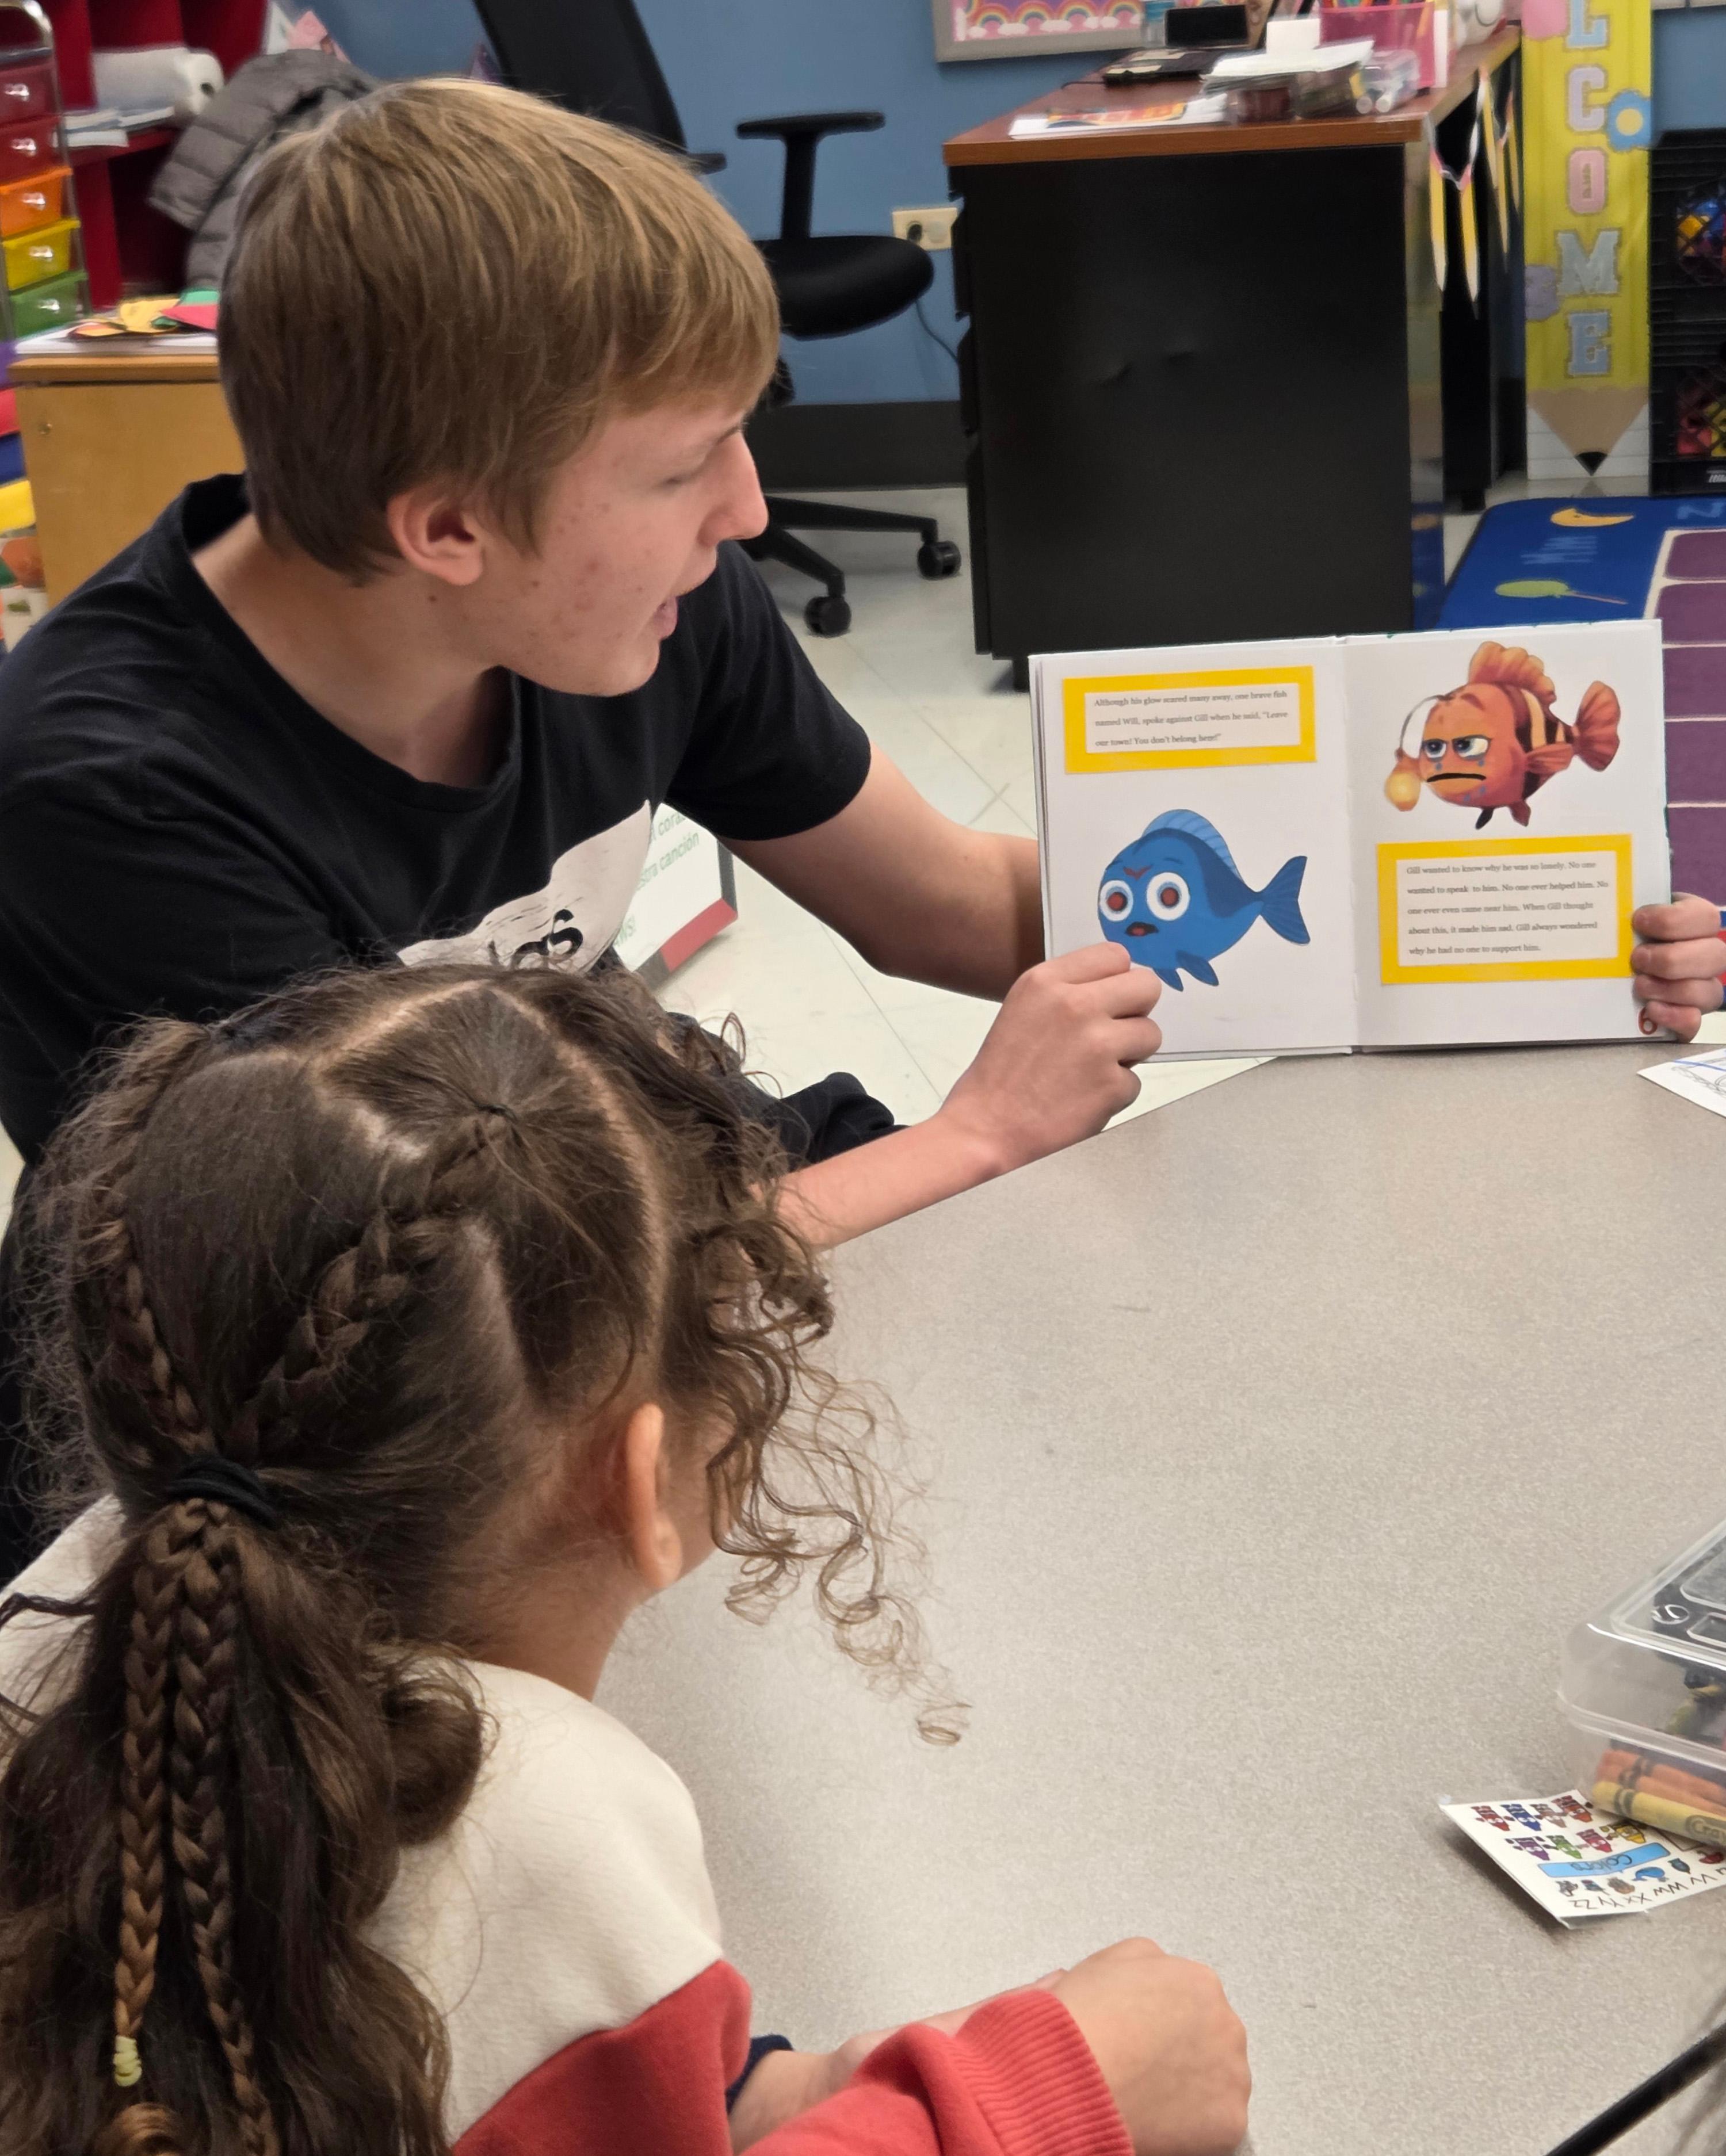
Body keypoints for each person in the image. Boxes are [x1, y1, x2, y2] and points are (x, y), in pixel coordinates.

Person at [0, 78, 1166, 1581]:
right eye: (684, 466)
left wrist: (1352, 904)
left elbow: (937, 898)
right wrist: (979, 1132)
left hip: (578, 1227)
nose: (747, 510)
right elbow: (464, 1310)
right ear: (449, 528)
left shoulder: (643, 608)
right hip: (309, 1398)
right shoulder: (106, 791)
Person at [0, 960, 1252, 2156]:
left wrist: (791, 2086)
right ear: (644, 1478)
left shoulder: (75, 1619)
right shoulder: (549, 1822)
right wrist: (1027, 2095)